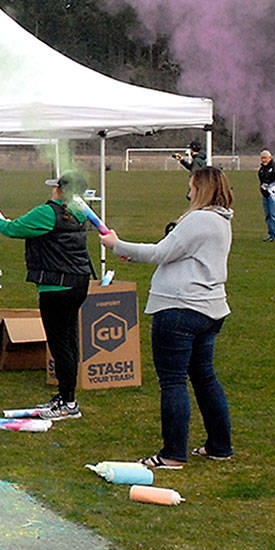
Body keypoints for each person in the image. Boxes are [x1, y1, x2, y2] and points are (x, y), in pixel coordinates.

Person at [101, 167, 234, 467]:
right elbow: (174, 254)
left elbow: (161, 253)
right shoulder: (221, 220)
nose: (187, 192)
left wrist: (116, 245)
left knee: (173, 381)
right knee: (204, 378)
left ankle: (173, 454)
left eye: (191, 187)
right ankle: (219, 445)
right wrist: (132, 252)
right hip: (208, 309)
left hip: (179, 309)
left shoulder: (199, 220)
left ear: (201, 189)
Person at [0, 171, 94, 421]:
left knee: (60, 342)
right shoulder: (81, 213)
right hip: (78, 282)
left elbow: (12, 229)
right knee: (69, 339)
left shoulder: (48, 212)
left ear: (60, 191)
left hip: (56, 286)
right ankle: (66, 395)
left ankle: (68, 402)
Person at [258, 149, 275, 242]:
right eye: (262, 158)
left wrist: (271, 186)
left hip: (274, 194)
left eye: (265, 158)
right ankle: (272, 234)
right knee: (268, 215)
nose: (263, 160)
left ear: (270, 157)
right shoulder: (262, 169)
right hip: (265, 194)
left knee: (274, 214)